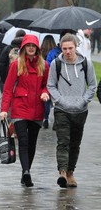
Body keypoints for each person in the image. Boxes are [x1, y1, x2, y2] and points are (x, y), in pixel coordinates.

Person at [47, 33, 96, 188]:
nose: (67, 51)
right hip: (62, 109)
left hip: (80, 111)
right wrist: (60, 100)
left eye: (70, 48)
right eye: (64, 48)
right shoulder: (57, 64)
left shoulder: (85, 63)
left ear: (76, 47)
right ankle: (62, 172)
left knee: (75, 143)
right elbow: (51, 85)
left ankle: (70, 173)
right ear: (61, 48)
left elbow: (92, 86)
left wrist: (83, 101)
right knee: (63, 142)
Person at [0, 34, 50, 187]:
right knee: (23, 140)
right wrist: (3, 110)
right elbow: (8, 89)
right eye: (28, 46)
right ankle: (26, 171)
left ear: (37, 49)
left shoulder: (44, 65)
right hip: (20, 107)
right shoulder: (17, 64)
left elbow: (47, 84)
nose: (30, 48)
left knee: (32, 142)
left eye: (33, 46)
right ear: (23, 48)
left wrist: (45, 92)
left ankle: (25, 173)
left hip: (36, 108)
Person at [40, 35, 56, 129]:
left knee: (46, 99)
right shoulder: (55, 52)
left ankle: (45, 118)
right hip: (54, 78)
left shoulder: (41, 52)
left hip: (44, 77)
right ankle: (54, 117)